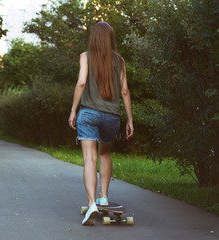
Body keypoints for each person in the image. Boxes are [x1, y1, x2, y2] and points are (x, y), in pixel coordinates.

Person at [68, 21, 134, 225]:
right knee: (105, 154)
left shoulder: (85, 56)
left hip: (88, 114)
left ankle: (92, 204)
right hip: (112, 116)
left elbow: (81, 82)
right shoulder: (119, 61)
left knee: (90, 159)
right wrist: (130, 119)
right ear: (110, 38)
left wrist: (72, 109)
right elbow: (124, 91)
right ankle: (103, 196)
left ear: (94, 37)